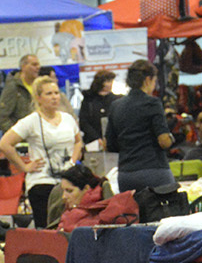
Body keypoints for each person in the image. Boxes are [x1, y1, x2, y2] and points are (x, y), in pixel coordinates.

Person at [0, 76, 82, 229]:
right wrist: (24, 167)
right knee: (47, 229)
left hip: (67, 181)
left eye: (56, 93)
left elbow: (78, 141)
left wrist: (72, 161)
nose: (54, 97)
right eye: (49, 94)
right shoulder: (30, 121)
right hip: (42, 182)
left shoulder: (68, 118)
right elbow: (5, 144)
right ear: (38, 98)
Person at [105, 58, 175, 192]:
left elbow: (109, 145)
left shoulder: (116, 105)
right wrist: (171, 137)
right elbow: (163, 141)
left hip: (126, 175)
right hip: (154, 171)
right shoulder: (153, 103)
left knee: (132, 206)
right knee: (170, 204)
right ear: (147, 80)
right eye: (154, 81)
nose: (154, 86)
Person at [0, 54, 40, 133]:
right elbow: (1, 116)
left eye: (38, 65)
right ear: (23, 67)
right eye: (34, 65)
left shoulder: (40, 85)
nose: (38, 67)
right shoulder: (13, 86)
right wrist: (17, 134)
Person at [56, 164, 108, 231]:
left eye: (69, 191)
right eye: (63, 191)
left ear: (86, 188)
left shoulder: (97, 217)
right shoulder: (68, 212)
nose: (64, 196)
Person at [78, 69, 119, 151]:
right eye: (108, 81)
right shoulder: (88, 100)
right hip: (92, 143)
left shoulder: (116, 100)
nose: (110, 84)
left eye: (111, 81)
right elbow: (83, 122)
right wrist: (96, 138)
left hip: (113, 142)